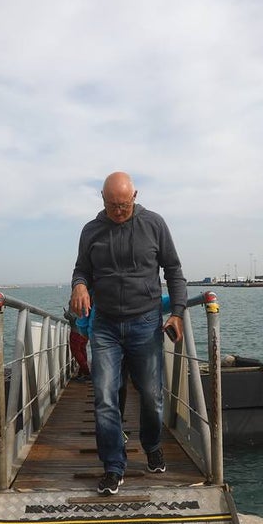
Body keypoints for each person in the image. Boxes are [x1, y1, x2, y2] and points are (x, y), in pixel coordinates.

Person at [70, 171, 187, 495]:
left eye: (124, 205)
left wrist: (176, 313)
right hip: (105, 326)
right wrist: (79, 285)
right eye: (112, 206)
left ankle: (151, 444)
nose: (119, 212)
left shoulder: (154, 224)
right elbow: (82, 269)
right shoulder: (91, 230)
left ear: (134, 196)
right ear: (103, 200)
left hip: (145, 323)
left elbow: (174, 271)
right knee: (105, 398)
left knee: (152, 396)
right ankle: (113, 466)